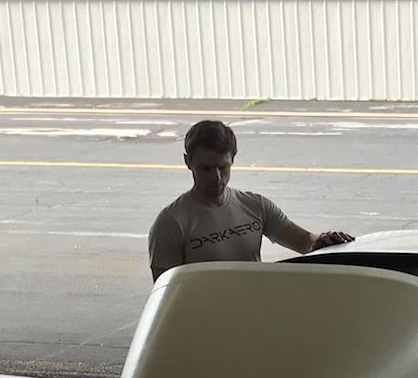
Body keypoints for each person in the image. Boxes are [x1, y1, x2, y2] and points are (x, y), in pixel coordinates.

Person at [147, 119, 353, 281]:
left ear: (232, 160)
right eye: (206, 169)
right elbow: (164, 293)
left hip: (253, 310)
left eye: (223, 167)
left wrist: (325, 240)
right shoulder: (171, 223)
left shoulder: (255, 206)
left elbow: (305, 242)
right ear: (188, 162)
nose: (216, 178)